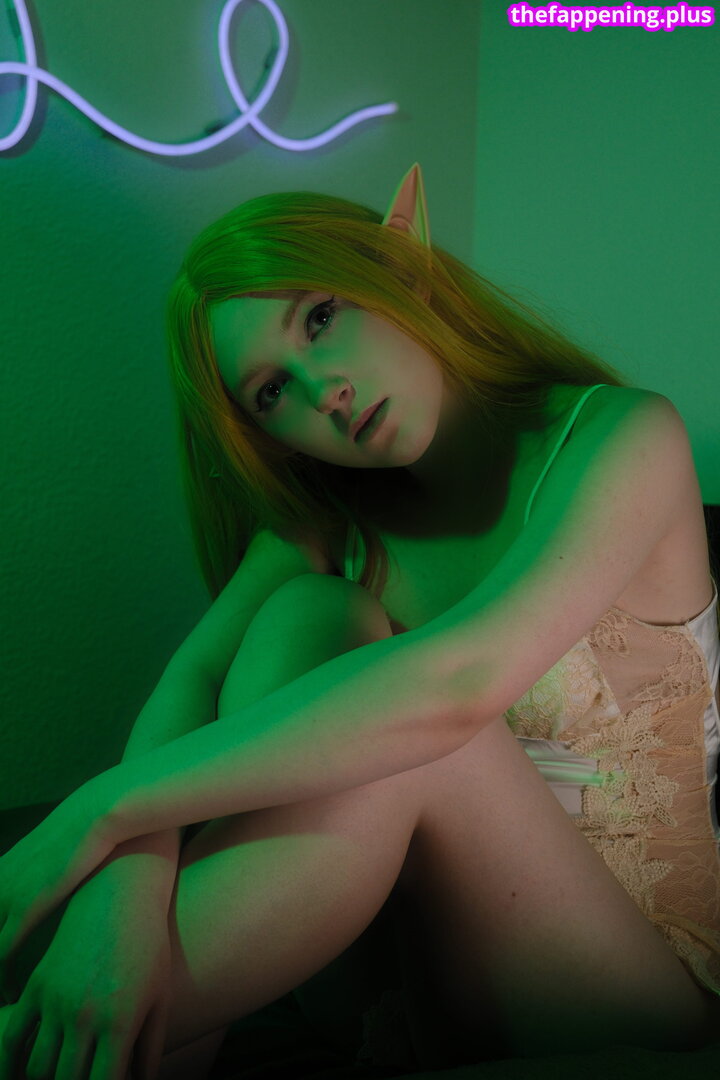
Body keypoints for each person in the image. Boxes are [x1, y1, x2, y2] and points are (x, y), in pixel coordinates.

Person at [1, 163, 719, 1080]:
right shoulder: (330, 525)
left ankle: (42, 1047)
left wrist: (95, 813)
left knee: (412, 734)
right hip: (397, 975)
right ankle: (93, 1024)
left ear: (400, 262)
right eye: (272, 392)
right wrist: (119, 895)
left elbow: (456, 689)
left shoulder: (623, 438)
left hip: (634, 982)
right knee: (312, 611)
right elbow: (193, 683)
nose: (324, 391)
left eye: (321, 318)